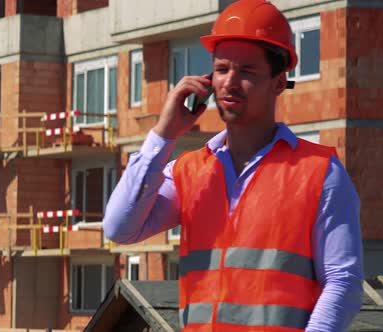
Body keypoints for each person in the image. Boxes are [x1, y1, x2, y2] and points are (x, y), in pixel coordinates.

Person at [103, 0, 363, 330]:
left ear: (279, 83)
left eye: (247, 71)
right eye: (222, 69)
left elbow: (343, 282)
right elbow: (119, 229)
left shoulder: (319, 171)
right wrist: (163, 135)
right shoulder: (190, 170)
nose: (229, 82)